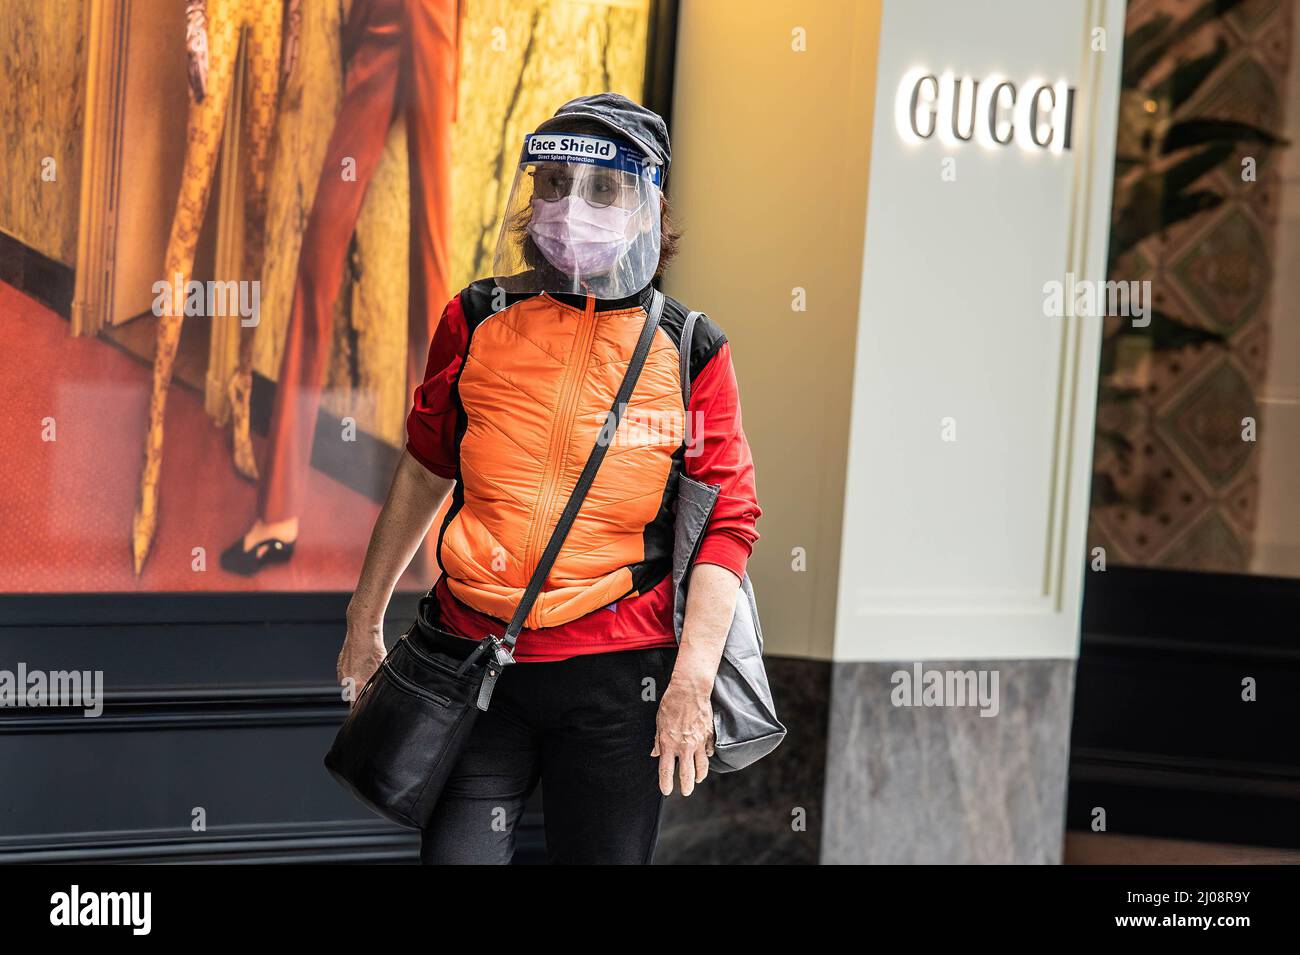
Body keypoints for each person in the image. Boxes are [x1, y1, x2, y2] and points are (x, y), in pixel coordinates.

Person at [336, 93, 761, 864]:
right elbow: (426, 465)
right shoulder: (476, 318)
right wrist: (364, 619)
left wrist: (691, 682)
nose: (573, 206)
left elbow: (727, 525)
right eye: (556, 182)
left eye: (604, 189)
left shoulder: (692, 348)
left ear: (646, 211)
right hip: (474, 662)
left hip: (617, 684)